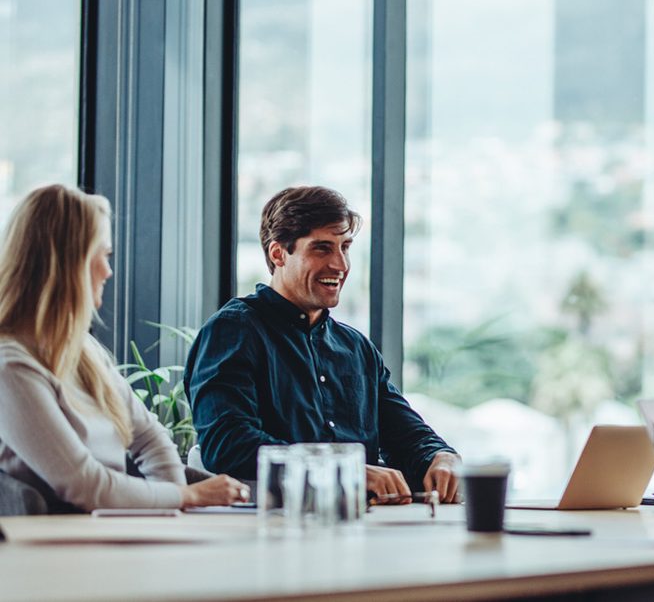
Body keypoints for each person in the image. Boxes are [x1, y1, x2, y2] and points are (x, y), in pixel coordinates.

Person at [185, 186, 460, 504]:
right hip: (268, 530)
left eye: (345, 247)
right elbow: (228, 445)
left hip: (362, 528)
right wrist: (344, 470)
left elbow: (405, 432)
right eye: (322, 249)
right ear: (278, 254)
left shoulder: (355, 348)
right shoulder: (233, 331)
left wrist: (440, 456)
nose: (340, 265)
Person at [0, 185, 247, 512]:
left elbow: (149, 436)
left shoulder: (83, 350)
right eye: (102, 255)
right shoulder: (11, 368)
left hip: (105, 531)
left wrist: (171, 506)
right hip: (55, 546)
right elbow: (83, 484)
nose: (108, 270)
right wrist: (186, 496)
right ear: (67, 265)